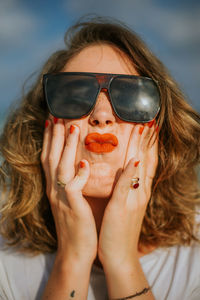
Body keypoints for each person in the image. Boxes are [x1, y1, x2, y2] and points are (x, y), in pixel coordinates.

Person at [0, 16, 199, 300]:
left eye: (131, 96)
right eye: (75, 94)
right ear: (42, 127)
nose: (102, 116)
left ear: (162, 129)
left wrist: (121, 260)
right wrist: (72, 259)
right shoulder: (5, 258)